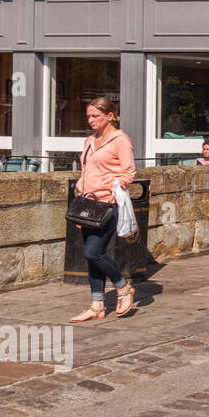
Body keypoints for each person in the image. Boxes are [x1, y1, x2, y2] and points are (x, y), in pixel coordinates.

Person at [69, 98, 137, 323]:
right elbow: (86, 170)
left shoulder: (120, 140)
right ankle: (97, 305)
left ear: (110, 115)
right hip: (88, 205)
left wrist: (113, 186)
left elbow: (129, 173)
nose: (90, 120)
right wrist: (81, 184)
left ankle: (123, 287)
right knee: (91, 257)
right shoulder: (89, 141)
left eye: (95, 116)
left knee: (93, 252)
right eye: (88, 116)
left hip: (109, 204)